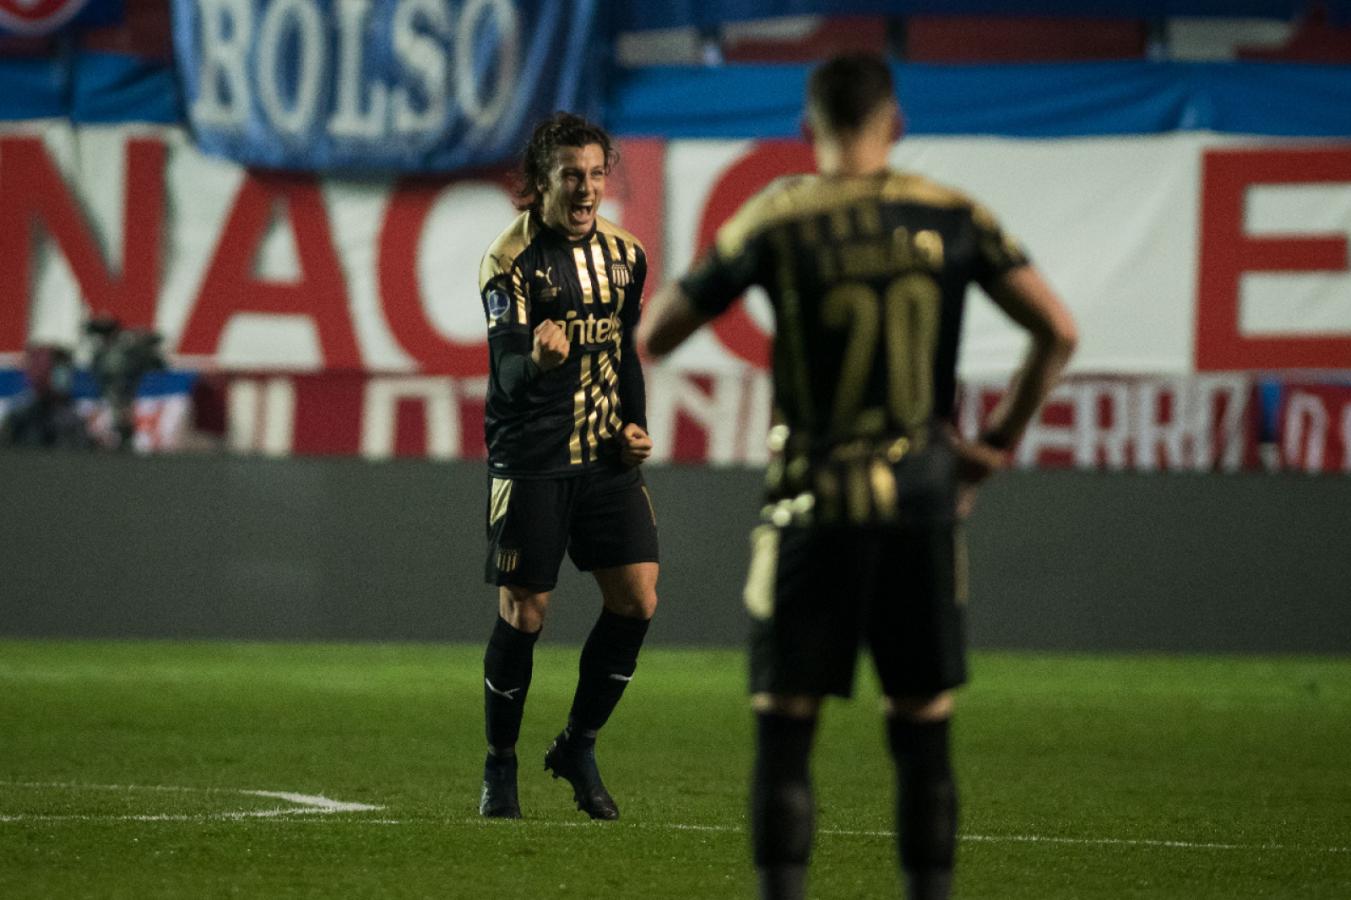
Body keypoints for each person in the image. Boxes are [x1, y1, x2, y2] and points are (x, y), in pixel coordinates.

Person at [638, 54, 1077, 900]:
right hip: (920, 502)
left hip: (811, 503)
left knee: (785, 729)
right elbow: (1055, 329)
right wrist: (991, 442)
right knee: (920, 728)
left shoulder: (774, 217)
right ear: (896, 124)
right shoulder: (952, 215)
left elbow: (657, 336)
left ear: (807, 131)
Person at [475, 112, 660, 822]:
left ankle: (577, 745)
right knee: (526, 611)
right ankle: (500, 766)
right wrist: (539, 360)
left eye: (594, 175)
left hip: (604, 458)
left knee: (637, 598)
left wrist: (635, 423)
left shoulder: (626, 256)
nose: (586, 191)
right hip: (531, 460)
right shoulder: (510, 259)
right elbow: (505, 376)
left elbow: (624, 349)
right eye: (570, 177)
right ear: (539, 184)